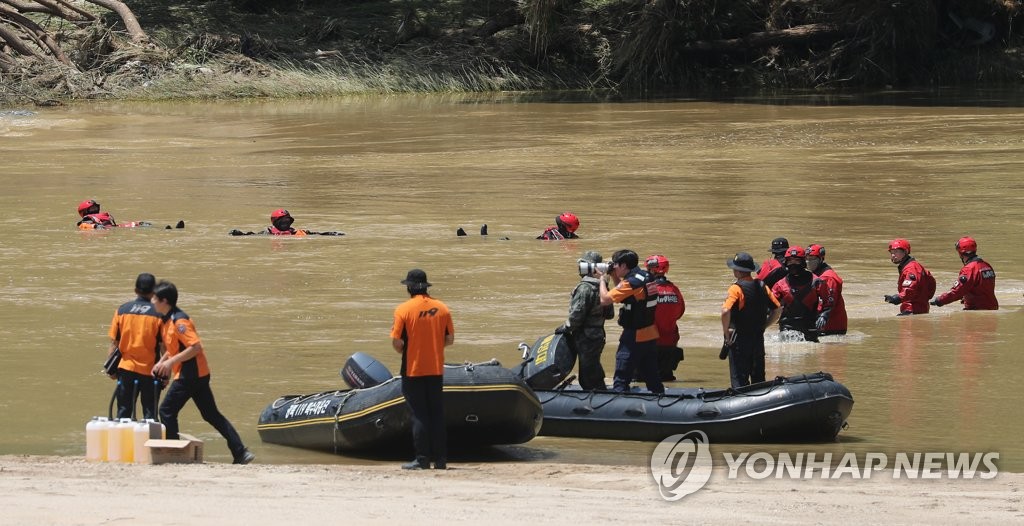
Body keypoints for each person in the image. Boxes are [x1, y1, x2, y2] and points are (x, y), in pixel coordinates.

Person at [150, 281, 255, 465]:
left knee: (166, 410)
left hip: (190, 375)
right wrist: (161, 362)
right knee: (211, 415)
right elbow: (173, 347)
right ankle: (240, 452)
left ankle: (175, 454)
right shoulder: (167, 320)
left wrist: (171, 363)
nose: (151, 301)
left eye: (154, 298)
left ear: (164, 301)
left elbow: (196, 347)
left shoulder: (179, 321)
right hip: (196, 375)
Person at [390, 269, 454, 470]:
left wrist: (409, 350)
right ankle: (441, 460)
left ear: (409, 287)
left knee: (419, 414)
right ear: (426, 287)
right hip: (436, 368)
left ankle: (422, 459)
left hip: (413, 368)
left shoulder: (403, 310)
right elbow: (449, 339)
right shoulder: (442, 308)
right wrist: (433, 347)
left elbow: (396, 341)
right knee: (436, 413)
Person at [598, 249, 663, 394]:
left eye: (615, 265)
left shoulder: (632, 282)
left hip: (634, 336)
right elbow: (626, 296)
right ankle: (660, 401)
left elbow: (605, 300)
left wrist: (602, 280)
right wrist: (615, 277)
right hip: (650, 334)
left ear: (624, 266)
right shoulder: (646, 276)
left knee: (622, 375)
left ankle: (617, 408)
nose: (613, 267)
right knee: (652, 376)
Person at [106, 273, 163, 420]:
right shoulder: (159, 314)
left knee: (123, 413)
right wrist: (166, 373)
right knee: (150, 415)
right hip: (150, 371)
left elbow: (114, 343)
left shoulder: (122, 310)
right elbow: (164, 347)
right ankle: (150, 442)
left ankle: (120, 442)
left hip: (126, 370)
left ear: (135, 290)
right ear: (154, 292)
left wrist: (110, 369)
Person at [721, 252, 782, 388]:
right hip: (757, 340)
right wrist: (764, 326)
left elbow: (725, 311)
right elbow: (777, 310)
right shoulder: (762, 286)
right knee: (759, 380)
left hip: (739, 342)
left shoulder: (736, 289)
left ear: (737, 271)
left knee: (739, 382)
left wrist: (726, 334)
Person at [555, 251, 614, 390]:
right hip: (598, 334)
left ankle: (597, 399)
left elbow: (577, 314)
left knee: (588, 375)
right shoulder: (603, 287)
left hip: (585, 337)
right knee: (593, 368)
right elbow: (610, 314)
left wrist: (565, 327)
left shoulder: (584, 288)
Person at [770, 246, 823, 342]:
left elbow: (828, 303)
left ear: (803, 262)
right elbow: (771, 305)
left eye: (796, 261)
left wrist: (824, 316)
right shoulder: (780, 285)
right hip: (787, 329)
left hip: (809, 328)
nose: (793, 264)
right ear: (786, 262)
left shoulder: (816, 282)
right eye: (790, 261)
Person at [931, 236, 998, 310]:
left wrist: (939, 300)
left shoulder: (968, 269)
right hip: (993, 307)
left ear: (960, 253)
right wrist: (966, 296)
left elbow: (956, 292)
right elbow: (982, 288)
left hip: (977, 310)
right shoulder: (986, 265)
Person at [646, 254, 684, 381]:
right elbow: (680, 312)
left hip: (650, 343)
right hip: (670, 343)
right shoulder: (675, 290)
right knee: (667, 378)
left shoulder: (648, 289)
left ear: (651, 269)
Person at [884, 238, 935, 315]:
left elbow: (910, 287)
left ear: (905, 252)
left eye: (896, 252)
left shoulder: (911, 268)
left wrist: (898, 298)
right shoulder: (909, 266)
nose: (893, 255)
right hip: (916, 309)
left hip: (913, 310)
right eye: (891, 252)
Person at [806, 244, 848, 335]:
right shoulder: (817, 274)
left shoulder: (828, 277)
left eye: (812, 259)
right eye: (807, 258)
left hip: (832, 326)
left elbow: (830, 301)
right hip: (824, 325)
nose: (808, 261)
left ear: (821, 259)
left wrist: (824, 315)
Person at [229, 209, 343, 236]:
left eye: (288, 221)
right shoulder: (267, 233)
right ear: (276, 222)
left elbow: (318, 234)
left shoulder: (297, 232)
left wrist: (332, 233)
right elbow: (251, 235)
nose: (286, 223)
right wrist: (239, 234)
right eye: (283, 221)